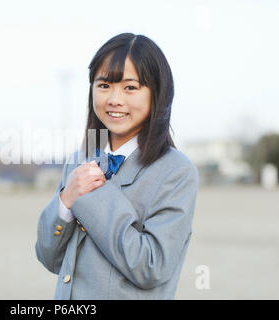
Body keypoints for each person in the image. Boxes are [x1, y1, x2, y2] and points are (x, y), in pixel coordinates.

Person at [35, 32, 199, 299]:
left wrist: (92, 194)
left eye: (130, 87)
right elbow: (49, 258)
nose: (114, 99)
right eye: (104, 85)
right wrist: (65, 201)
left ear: (157, 93)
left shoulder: (176, 171)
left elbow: (151, 266)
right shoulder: (79, 160)